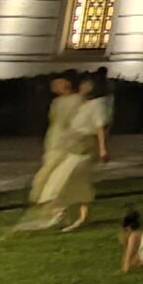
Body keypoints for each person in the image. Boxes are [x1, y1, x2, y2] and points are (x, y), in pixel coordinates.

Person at [17, 73, 110, 232]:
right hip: (63, 145)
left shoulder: (86, 102)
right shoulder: (63, 103)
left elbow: (97, 126)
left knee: (65, 181)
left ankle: (63, 214)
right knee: (61, 181)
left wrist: (101, 148)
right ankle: (65, 214)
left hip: (76, 147)